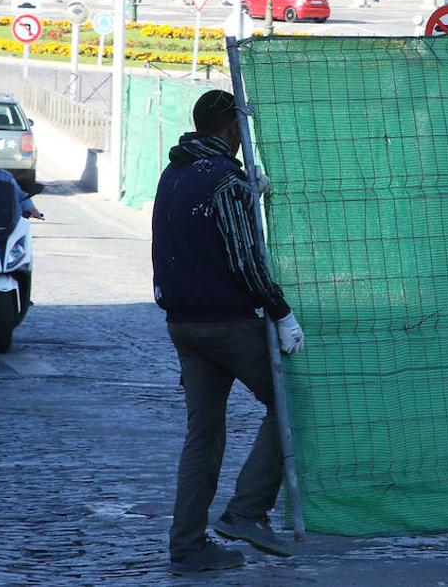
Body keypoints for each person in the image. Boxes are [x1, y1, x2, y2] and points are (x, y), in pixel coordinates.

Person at [152, 90, 305, 575]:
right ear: (230, 127)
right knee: (292, 407)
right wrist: (281, 313)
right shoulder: (225, 180)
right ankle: (247, 512)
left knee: (203, 436)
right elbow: (245, 261)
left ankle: (187, 546)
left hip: (184, 325)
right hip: (228, 323)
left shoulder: (173, 173)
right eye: (241, 125)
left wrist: (248, 195)